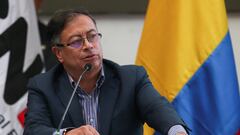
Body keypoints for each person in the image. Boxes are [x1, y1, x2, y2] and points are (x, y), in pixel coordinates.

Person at [23, 9, 189, 135]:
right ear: (59, 53)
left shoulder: (131, 79)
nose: (88, 45)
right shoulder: (42, 86)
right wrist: (67, 133)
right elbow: (34, 129)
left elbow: (158, 109)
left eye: (92, 36)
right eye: (76, 42)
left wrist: (176, 131)